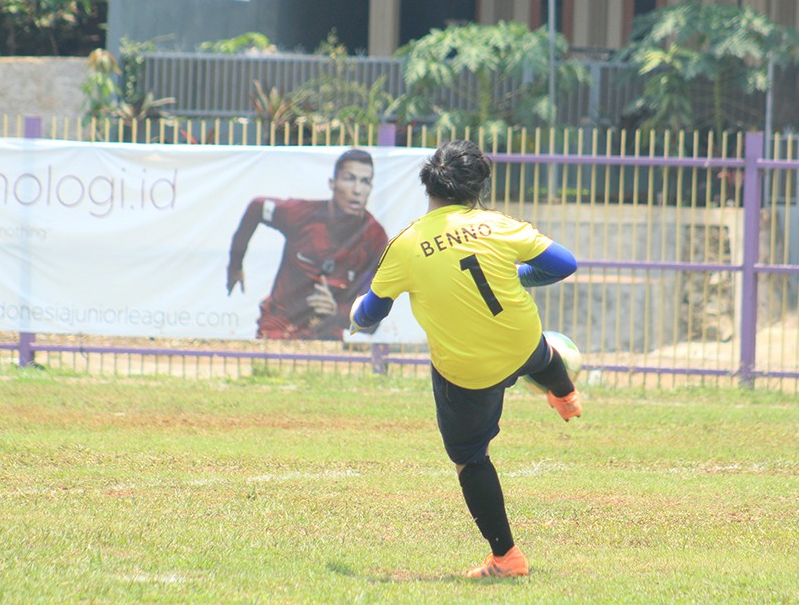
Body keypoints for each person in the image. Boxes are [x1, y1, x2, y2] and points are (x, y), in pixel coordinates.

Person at [349, 139, 581, 579]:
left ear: (428, 185)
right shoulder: (498, 225)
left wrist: (356, 314)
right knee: (541, 352)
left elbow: (373, 312)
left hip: (468, 373)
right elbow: (564, 263)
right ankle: (566, 394)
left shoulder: (407, 243)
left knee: (471, 458)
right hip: (520, 340)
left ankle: (506, 558)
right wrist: (521, 275)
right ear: (478, 188)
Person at [227, 148, 388, 340]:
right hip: (280, 322)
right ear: (332, 183)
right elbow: (257, 207)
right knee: (269, 365)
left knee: (325, 366)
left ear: (370, 189)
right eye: (349, 178)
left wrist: (337, 312)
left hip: (326, 328)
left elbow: (372, 322)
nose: (357, 189)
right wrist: (235, 264)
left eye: (365, 182)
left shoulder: (375, 238)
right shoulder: (302, 214)